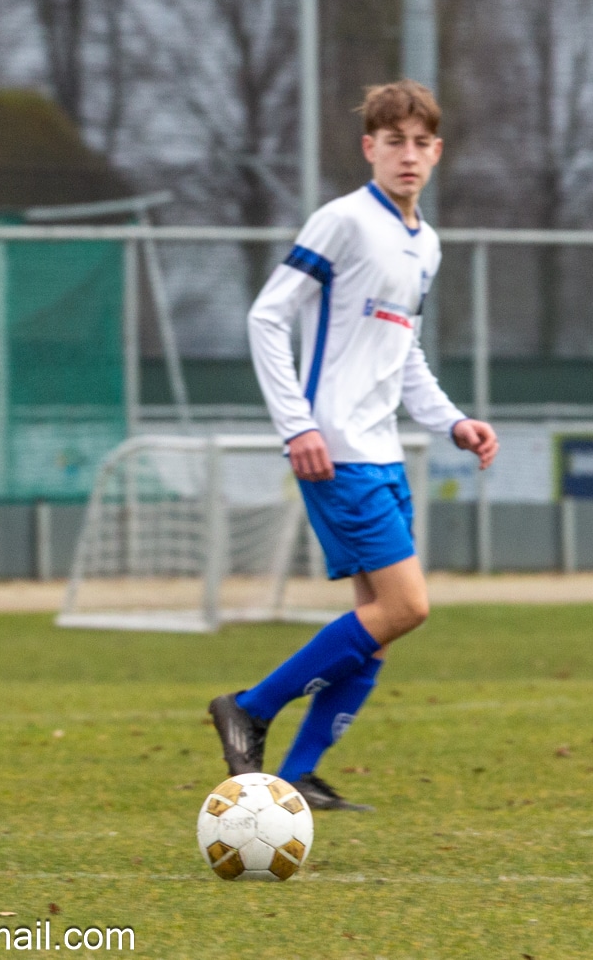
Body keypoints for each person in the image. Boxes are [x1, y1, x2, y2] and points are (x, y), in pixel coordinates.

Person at [210, 80, 499, 811]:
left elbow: (404, 354)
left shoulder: (425, 244)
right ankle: (250, 707)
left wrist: (452, 422)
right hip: (335, 449)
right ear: (369, 147)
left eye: (421, 142)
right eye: (394, 141)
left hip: (384, 451)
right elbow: (266, 317)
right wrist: (297, 425)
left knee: (380, 628)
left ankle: (298, 775)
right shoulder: (341, 221)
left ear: (438, 152)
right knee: (407, 605)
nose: (408, 155)